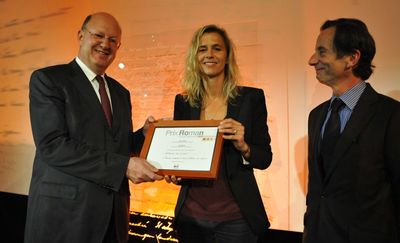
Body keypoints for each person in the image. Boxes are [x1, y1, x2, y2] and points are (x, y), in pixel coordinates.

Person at [24, 12, 163, 243]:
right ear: (80, 36)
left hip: (113, 218)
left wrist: (144, 135)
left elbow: (120, 148)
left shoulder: (120, 93)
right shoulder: (49, 80)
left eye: (112, 40)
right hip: (65, 218)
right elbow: (53, 146)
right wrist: (124, 167)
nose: (105, 44)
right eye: (98, 35)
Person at [304, 18, 400, 243]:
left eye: (322, 52)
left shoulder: (393, 116)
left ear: (351, 58)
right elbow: (319, 188)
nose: (312, 60)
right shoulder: (316, 116)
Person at [165, 24, 272, 242]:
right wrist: (173, 171)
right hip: (190, 217)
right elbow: (181, 157)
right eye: (202, 49)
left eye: (217, 48)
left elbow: (264, 158)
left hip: (237, 219)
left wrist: (244, 146)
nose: (209, 55)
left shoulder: (251, 99)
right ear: (195, 57)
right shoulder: (184, 102)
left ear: (227, 56)